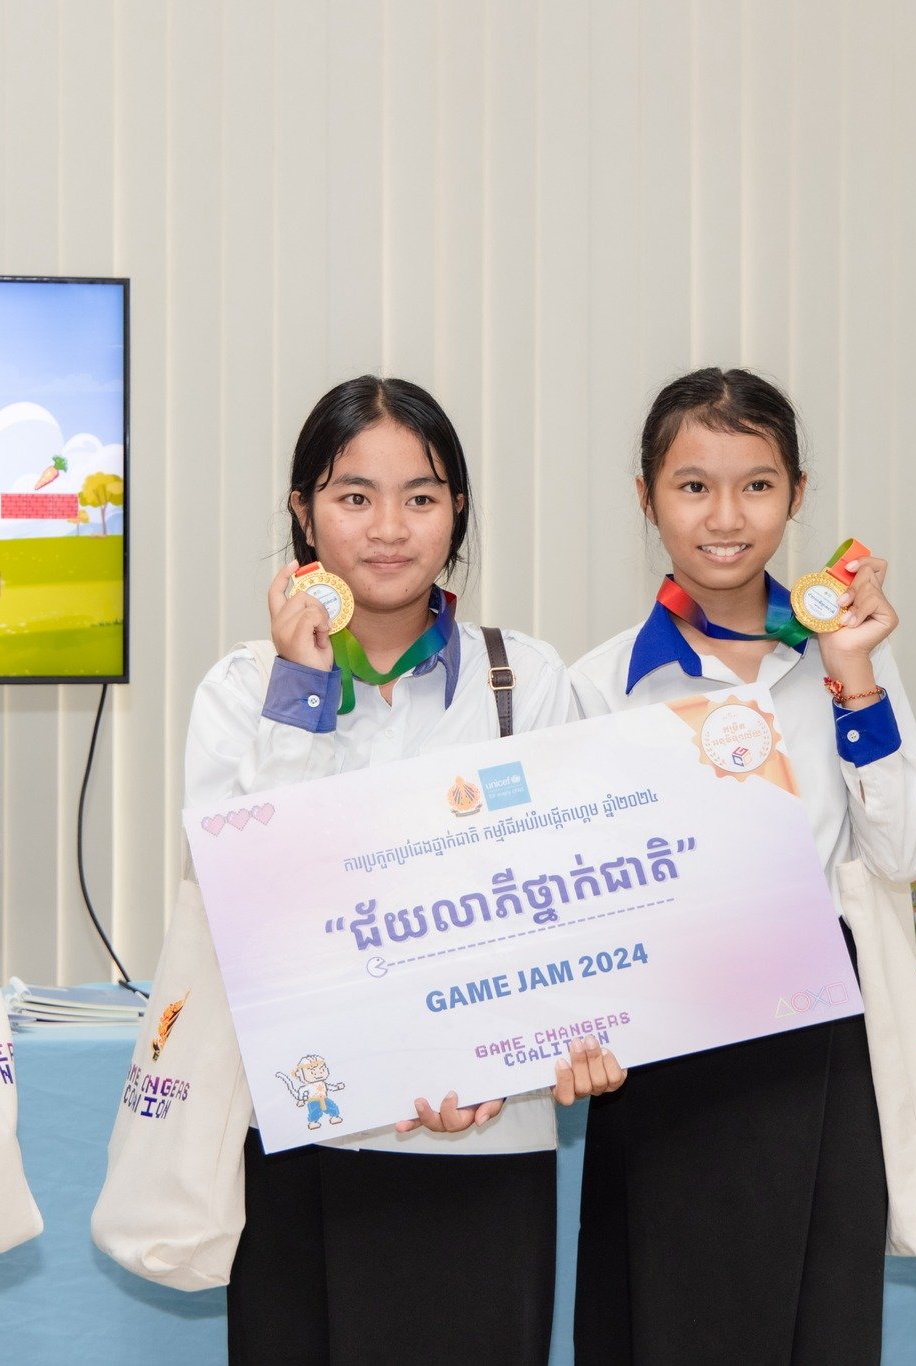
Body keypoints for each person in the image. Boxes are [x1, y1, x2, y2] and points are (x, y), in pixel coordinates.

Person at [184, 375, 623, 1364]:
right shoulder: (241, 690)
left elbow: (567, 910)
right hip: (302, 1144)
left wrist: (505, 1060)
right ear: (303, 512)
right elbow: (251, 904)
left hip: (487, 1145)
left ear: (455, 510)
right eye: (354, 496)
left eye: (419, 497)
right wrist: (300, 692)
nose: (388, 528)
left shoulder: (525, 681)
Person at [569, 367, 916, 1363]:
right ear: (645, 497)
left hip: (820, 1039)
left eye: (757, 485)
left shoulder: (847, 654)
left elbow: (905, 850)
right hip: (664, 1054)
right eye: (693, 486)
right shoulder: (600, 685)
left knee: (820, 1325)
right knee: (669, 1322)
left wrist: (853, 680)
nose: (726, 516)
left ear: (797, 494)